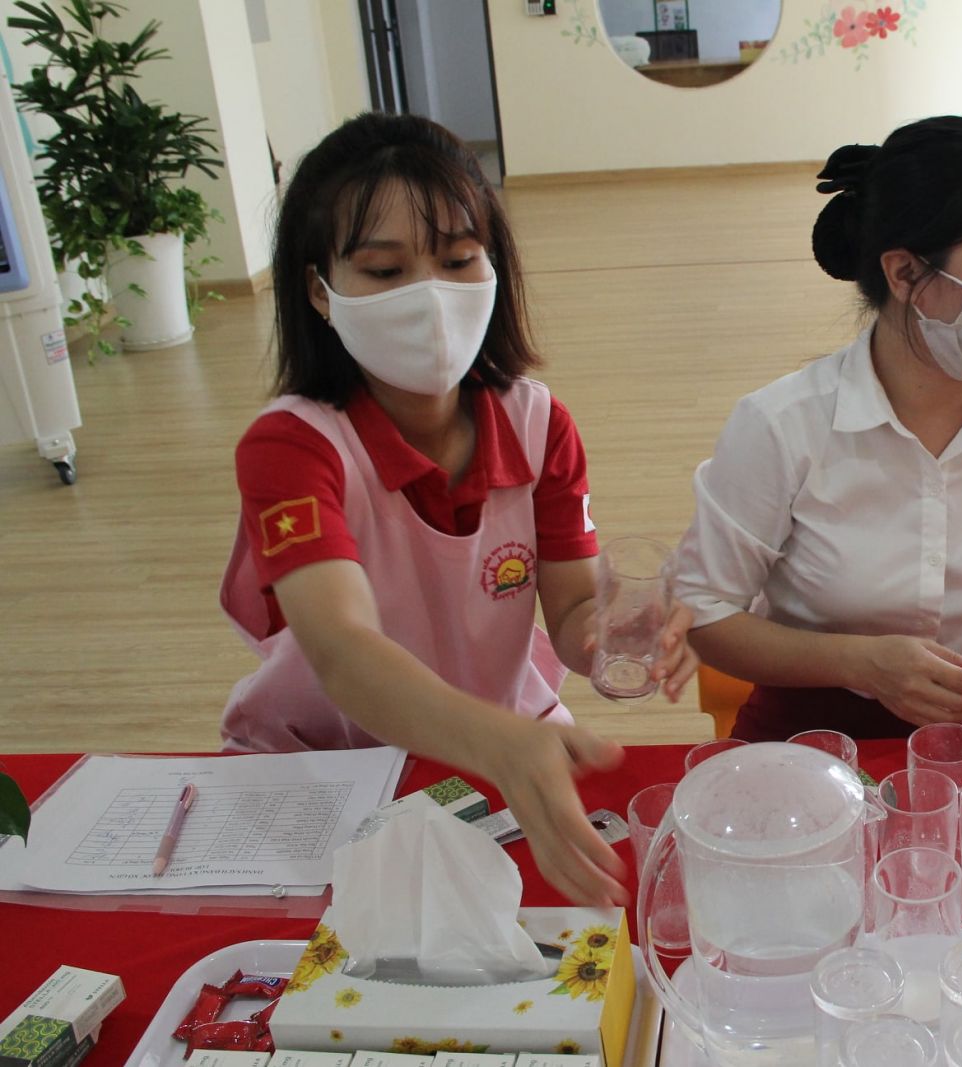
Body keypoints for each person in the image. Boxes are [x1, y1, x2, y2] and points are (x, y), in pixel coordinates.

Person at [218, 113, 697, 906]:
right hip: (332, 763)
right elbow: (342, 649)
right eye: (385, 270)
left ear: (494, 266)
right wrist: (502, 743)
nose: (429, 298)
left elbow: (571, 609)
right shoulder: (294, 447)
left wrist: (620, 632)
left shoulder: (538, 423)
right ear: (319, 291)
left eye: (456, 260)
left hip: (494, 750)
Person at [673, 116, 962, 742]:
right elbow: (701, 612)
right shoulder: (783, 426)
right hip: (803, 741)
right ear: (904, 274)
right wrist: (859, 662)